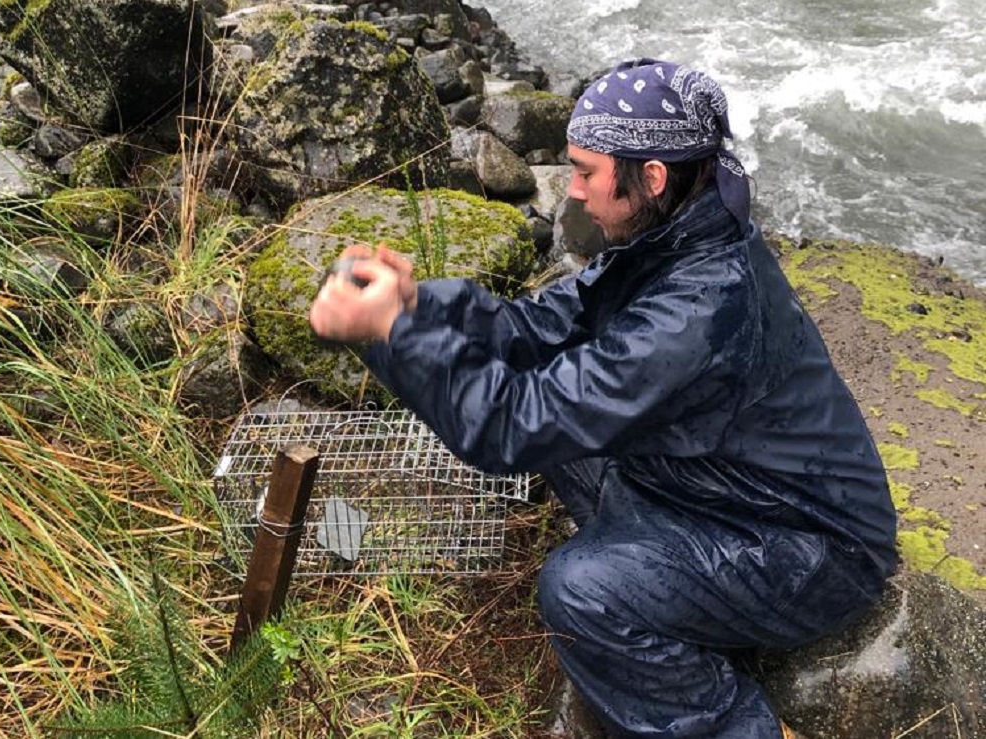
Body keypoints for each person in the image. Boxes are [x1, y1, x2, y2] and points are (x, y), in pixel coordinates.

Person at [308, 58, 898, 739]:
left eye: (586, 172)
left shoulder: (701, 306)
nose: (576, 192)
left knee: (577, 588)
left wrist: (389, 333)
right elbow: (533, 327)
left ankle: (741, 725)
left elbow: (510, 428)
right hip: (723, 484)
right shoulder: (674, 234)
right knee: (570, 425)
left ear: (649, 177)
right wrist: (414, 305)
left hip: (813, 545)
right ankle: (655, 588)